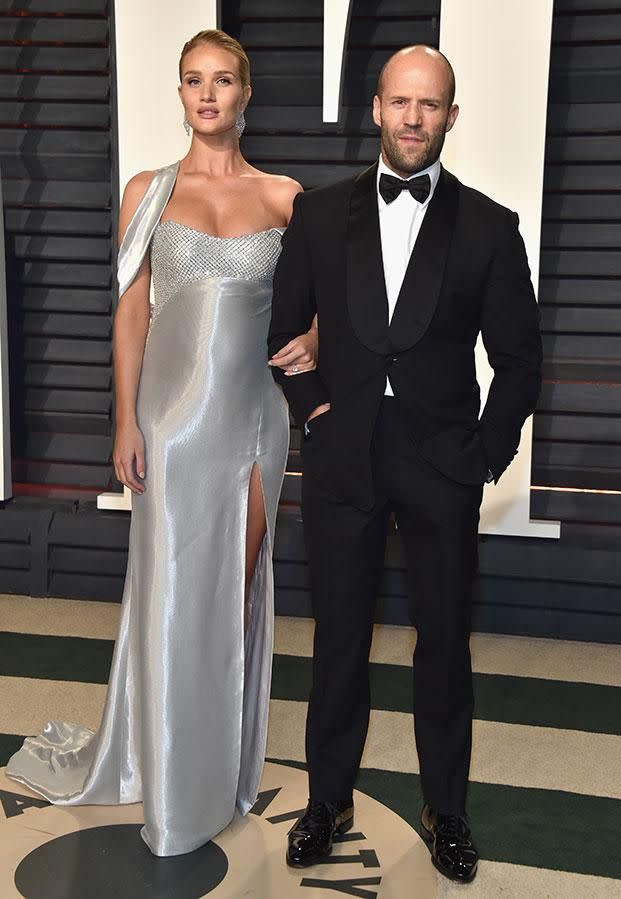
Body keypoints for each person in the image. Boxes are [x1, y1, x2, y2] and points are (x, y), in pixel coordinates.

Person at [7, 29, 317, 857]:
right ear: (180, 94)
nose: (207, 95)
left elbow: (330, 305)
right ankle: (173, 782)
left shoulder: (288, 197)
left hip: (256, 422)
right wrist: (123, 421)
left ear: (247, 94)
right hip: (171, 427)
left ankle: (219, 772)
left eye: (222, 81)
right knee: (176, 602)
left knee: (237, 599)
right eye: (192, 81)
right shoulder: (147, 189)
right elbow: (133, 311)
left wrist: (316, 338)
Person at [268, 45, 542, 884]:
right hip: (344, 460)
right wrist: (314, 411)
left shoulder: (491, 226)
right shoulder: (317, 215)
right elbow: (283, 327)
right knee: (339, 635)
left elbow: (521, 361)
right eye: (401, 103)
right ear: (378, 109)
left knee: (444, 646)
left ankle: (445, 808)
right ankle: (328, 798)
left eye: (431, 105)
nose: (414, 118)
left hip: (443, 466)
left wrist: (482, 458)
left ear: (451, 116)